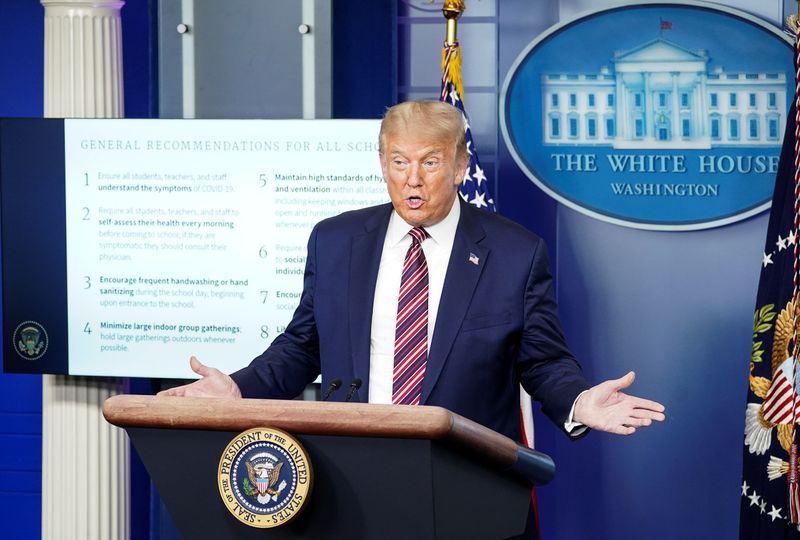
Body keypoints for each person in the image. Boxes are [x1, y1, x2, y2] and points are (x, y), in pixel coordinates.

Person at [160, 100, 665, 442]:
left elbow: (541, 362)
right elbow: (303, 346)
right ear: (381, 162)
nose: (413, 180)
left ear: (460, 166)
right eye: (399, 162)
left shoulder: (514, 252)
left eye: (430, 162)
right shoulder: (336, 240)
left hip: (467, 480)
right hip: (354, 467)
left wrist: (578, 400)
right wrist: (239, 389)